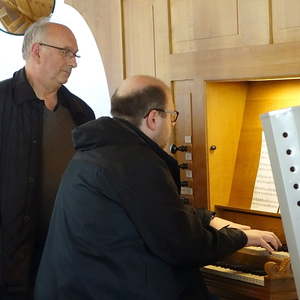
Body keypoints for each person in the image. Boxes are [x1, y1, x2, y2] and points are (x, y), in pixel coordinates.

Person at [35, 75, 281, 300]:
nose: (172, 125)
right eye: (171, 116)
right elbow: (185, 247)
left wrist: (211, 220)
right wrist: (242, 236)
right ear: (153, 118)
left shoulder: (100, 150)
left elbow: (158, 212)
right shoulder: (135, 162)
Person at [0, 18, 95, 300]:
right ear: (37, 51)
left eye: (75, 54)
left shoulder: (81, 113)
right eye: (66, 52)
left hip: (65, 258)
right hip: (8, 261)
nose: (73, 62)